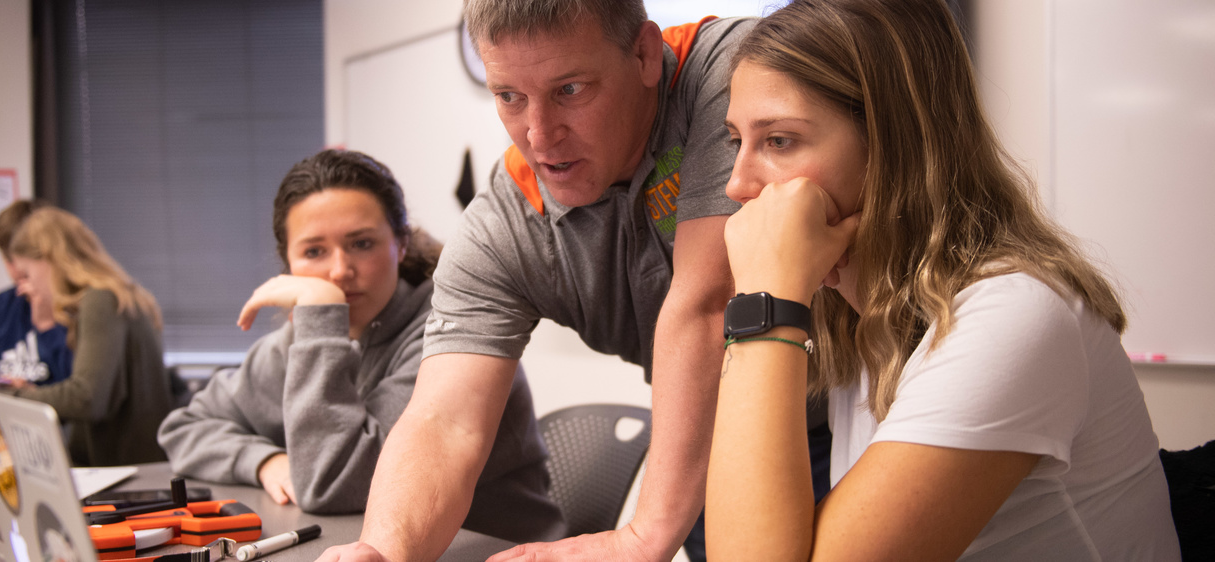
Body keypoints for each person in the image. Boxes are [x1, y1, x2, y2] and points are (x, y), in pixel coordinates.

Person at [318, 2, 825, 561]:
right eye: (509, 96)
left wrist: (643, 536)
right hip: (723, 441)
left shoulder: (738, 73)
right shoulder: (505, 226)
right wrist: (383, 552)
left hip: (859, 403)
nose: (539, 135)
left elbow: (709, 303)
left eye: (570, 90)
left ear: (644, 54)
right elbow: (445, 420)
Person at [705, 0, 1181, 559]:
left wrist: (765, 299)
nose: (737, 184)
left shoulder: (1013, 314)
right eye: (738, 141)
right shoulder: (859, 313)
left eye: (779, 140)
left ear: (893, 147)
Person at [158, 149, 563, 543]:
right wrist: (264, 461)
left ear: (401, 243)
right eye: (314, 251)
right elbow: (185, 428)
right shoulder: (297, 343)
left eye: (362, 243)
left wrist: (320, 316)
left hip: (492, 549)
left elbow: (334, 485)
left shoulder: (453, 334)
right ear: (289, 264)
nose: (339, 271)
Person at [3, 207, 172, 466]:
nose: (27, 287)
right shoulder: (119, 294)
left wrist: (6, 397)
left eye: (27, 274)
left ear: (49, 259)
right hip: (140, 467)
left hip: (128, 474)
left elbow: (87, 398)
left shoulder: (101, 299)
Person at [0, 199, 73, 386]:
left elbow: (82, 392)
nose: (17, 270)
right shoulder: (0, 307)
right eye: (9, 260)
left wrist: (46, 325)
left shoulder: (78, 305)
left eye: (24, 259)